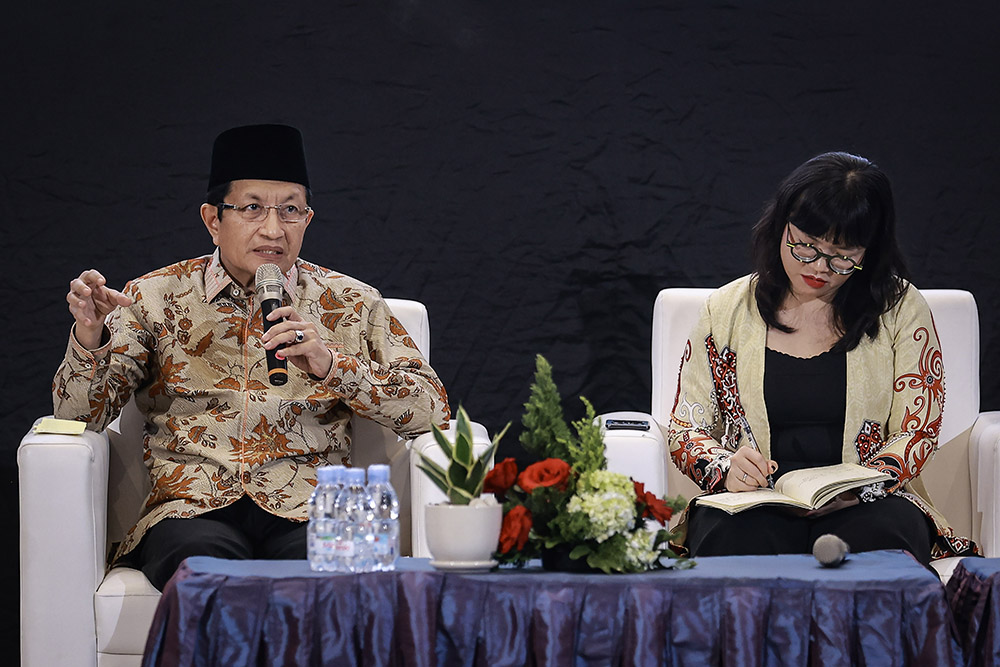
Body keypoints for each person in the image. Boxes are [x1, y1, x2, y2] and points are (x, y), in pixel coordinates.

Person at [53, 124, 450, 589]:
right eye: (253, 208)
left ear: (308, 219)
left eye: (290, 210)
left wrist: (332, 365)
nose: (273, 229)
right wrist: (91, 336)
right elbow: (78, 417)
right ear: (212, 220)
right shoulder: (154, 297)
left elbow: (434, 411)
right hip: (192, 506)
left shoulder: (351, 303)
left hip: (311, 507)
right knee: (206, 569)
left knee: (327, 576)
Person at [665, 151, 977, 565]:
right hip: (755, 500)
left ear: (870, 251)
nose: (819, 267)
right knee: (734, 538)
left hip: (868, 499)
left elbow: (917, 430)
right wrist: (726, 467)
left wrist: (862, 485)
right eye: (806, 246)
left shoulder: (900, 308)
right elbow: (687, 428)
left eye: (843, 255)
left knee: (882, 540)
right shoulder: (725, 310)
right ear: (780, 226)